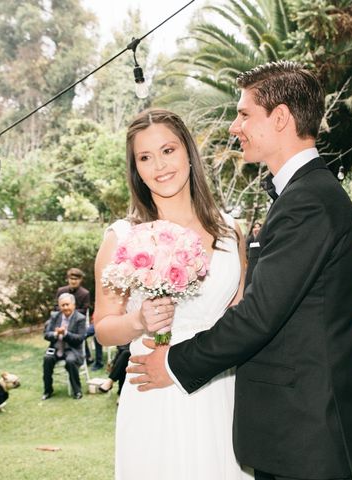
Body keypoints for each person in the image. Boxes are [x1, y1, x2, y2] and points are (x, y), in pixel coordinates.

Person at [126, 62, 352, 480]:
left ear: (280, 118)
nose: (235, 126)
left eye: (244, 114)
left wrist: (174, 363)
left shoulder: (308, 201)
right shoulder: (303, 195)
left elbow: (258, 315)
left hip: (307, 434)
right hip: (290, 430)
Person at [93, 108, 249, 479]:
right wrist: (138, 320)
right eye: (145, 157)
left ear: (188, 153)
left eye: (168, 150)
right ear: (136, 169)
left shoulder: (231, 232)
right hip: (154, 394)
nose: (159, 165)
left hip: (220, 390)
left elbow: (241, 317)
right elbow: (102, 327)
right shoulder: (122, 238)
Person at [42, 293, 86, 400]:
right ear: (59, 306)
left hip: (72, 349)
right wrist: (56, 334)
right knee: (47, 359)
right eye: (62, 305)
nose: (65, 307)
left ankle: (77, 391)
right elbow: (46, 335)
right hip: (55, 348)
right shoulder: (54, 316)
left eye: (67, 304)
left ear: (73, 305)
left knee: (71, 361)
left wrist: (65, 334)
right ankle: (48, 390)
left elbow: (80, 338)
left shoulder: (80, 318)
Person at [55, 268, 101, 370]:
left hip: (78, 322)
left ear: (80, 280)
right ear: (68, 279)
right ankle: (59, 353)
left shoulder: (84, 293)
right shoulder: (61, 291)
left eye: (76, 279)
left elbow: (84, 311)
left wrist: (71, 311)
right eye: (71, 278)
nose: (73, 281)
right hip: (63, 320)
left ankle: (82, 356)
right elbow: (56, 307)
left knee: (79, 333)